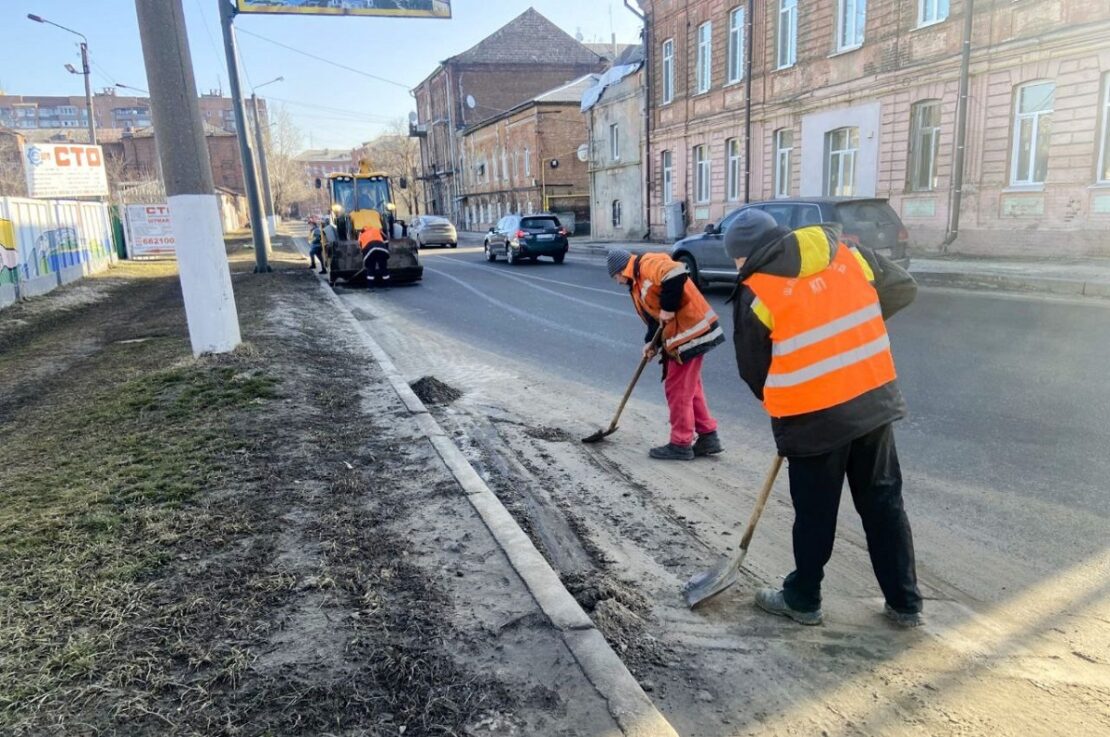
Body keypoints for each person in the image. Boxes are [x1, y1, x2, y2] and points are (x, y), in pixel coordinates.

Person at [724, 209, 922, 628]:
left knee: (815, 512)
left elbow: (753, 368)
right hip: (871, 401)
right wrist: (850, 331)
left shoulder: (757, 289)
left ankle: (803, 598)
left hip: (812, 418)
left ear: (746, 254)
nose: (737, 267)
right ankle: (905, 603)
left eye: (736, 259)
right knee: (884, 503)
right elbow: (903, 287)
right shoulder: (849, 254)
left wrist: (786, 393)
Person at [607, 249, 725, 461]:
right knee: (691, 388)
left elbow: (676, 273)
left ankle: (680, 443)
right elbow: (655, 317)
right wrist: (651, 344)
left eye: (615, 277)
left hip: (690, 332)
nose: (617, 282)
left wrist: (669, 308)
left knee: (677, 389)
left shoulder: (647, 264)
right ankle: (708, 436)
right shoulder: (636, 283)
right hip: (683, 334)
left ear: (620, 271)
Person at [359, 223, 390, 289]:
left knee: (370, 268)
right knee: (383, 268)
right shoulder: (377, 230)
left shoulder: (361, 235)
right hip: (381, 249)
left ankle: (370, 287)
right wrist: (386, 248)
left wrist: (366, 262)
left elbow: (362, 248)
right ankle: (387, 286)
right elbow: (386, 239)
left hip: (370, 251)